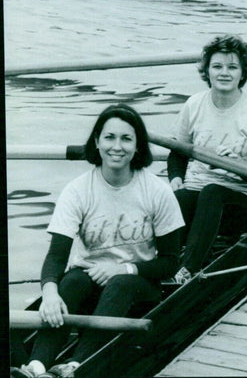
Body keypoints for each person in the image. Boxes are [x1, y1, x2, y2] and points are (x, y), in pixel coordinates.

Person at [11, 104, 184, 378]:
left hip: (139, 286)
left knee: (119, 284)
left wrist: (125, 268)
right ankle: (37, 367)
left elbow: (170, 263)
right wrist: (51, 293)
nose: (117, 146)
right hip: (88, 282)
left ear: (138, 146)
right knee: (72, 280)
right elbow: (57, 256)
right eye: (109, 137)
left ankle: (77, 364)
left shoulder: (158, 192)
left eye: (127, 139)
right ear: (97, 142)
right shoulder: (78, 190)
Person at [169, 34, 247, 284]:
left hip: (241, 198)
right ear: (207, 70)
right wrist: (176, 178)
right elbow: (177, 153)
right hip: (197, 190)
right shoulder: (194, 104)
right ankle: (163, 262)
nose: (224, 73)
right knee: (179, 196)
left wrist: (238, 165)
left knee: (212, 192)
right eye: (217, 66)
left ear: (243, 72)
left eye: (232, 67)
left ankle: (189, 269)